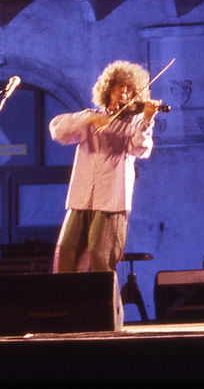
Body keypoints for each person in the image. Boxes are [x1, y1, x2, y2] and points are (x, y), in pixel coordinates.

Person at [49, 61, 160, 277]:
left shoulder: (133, 123)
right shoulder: (89, 117)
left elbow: (140, 149)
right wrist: (90, 119)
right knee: (66, 254)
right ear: (109, 88)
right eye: (121, 86)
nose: (125, 92)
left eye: (130, 89)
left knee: (101, 258)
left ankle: (107, 310)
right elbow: (57, 130)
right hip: (80, 199)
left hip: (111, 201)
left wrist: (147, 119)